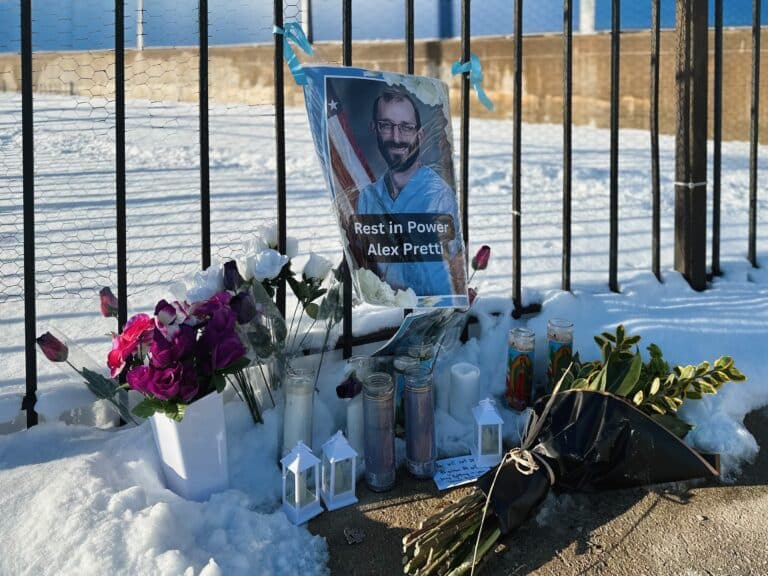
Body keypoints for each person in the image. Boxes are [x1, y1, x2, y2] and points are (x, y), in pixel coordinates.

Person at [356, 87, 465, 298]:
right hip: (380, 311)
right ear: (374, 129)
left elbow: (453, 266)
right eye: (386, 125)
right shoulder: (367, 197)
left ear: (420, 135)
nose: (396, 138)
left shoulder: (438, 195)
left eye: (406, 127)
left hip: (429, 307)